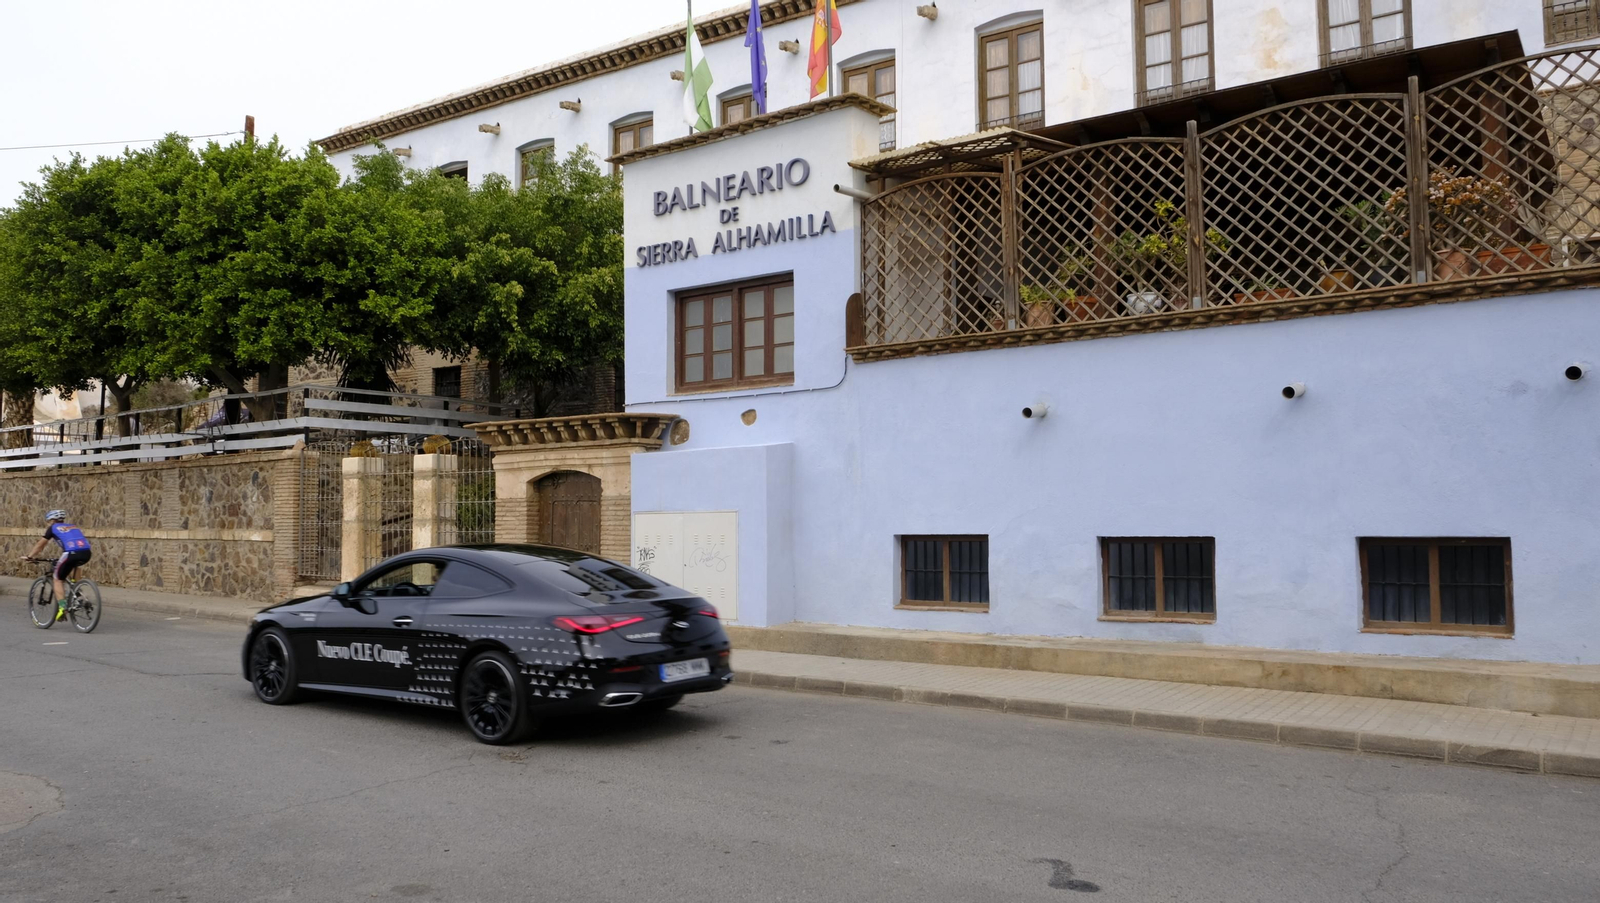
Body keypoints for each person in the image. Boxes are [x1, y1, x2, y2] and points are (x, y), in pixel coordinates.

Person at [22, 510, 92, 622]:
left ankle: (62, 608)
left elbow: (40, 545)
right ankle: (79, 593)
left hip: (71, 553)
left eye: (48, 521)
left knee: (57, 579)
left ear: (52, 520)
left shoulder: (53, 528)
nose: (48, 523)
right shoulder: (73, 526)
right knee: (74, 566)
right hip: (86, 553)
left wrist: (30, 556)